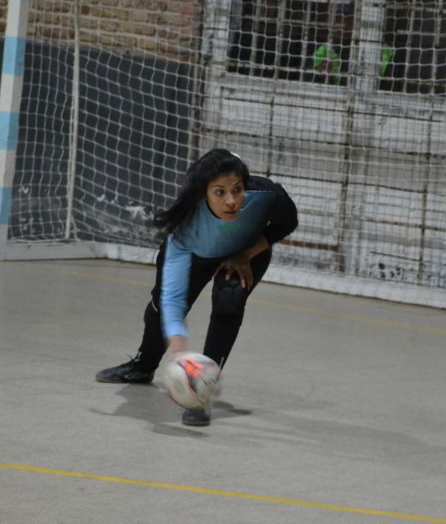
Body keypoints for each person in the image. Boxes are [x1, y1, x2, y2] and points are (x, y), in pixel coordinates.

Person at [95, 149, 298, 426]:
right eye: (220, 192)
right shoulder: (185, 229)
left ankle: (203, 388)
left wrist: (246, 254)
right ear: (203, 194)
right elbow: (174, 300)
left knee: (229, 299)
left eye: (237, 189)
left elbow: (288, 222)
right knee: (158, 312)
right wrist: (178, 352)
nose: (231, 200)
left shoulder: (265, 195)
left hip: (244, 252)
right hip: (199, 253)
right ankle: (143, 366)